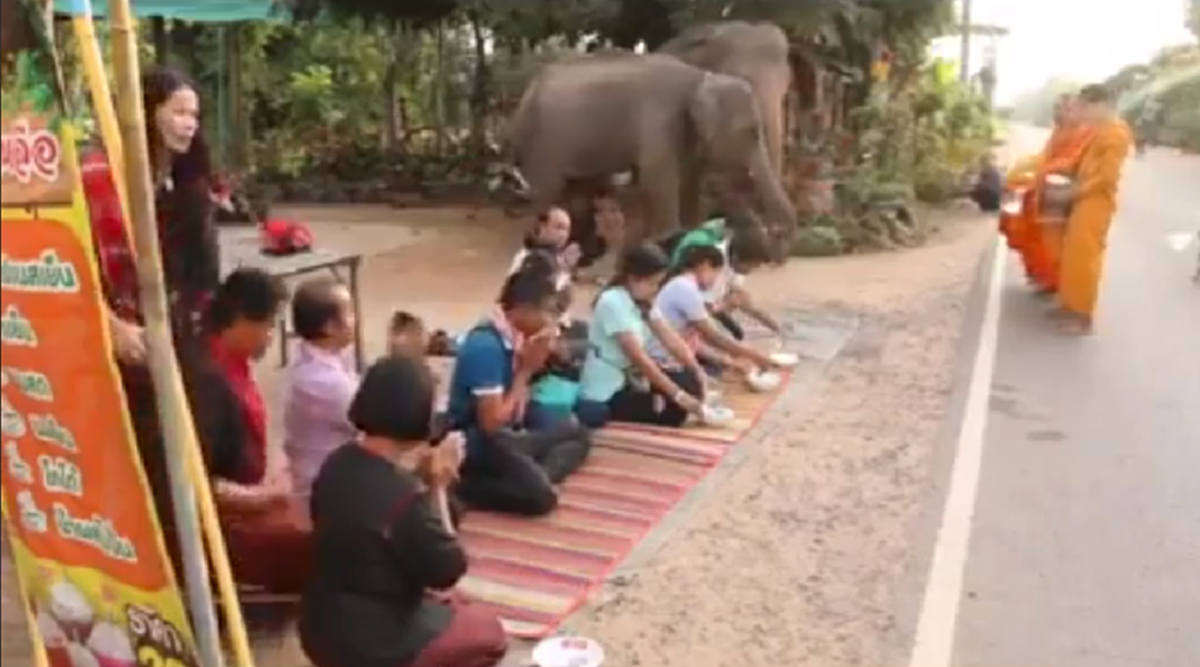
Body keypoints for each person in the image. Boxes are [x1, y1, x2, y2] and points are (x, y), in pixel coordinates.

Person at [83, 65, 221, 580]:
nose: (189, 124)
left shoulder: (182, 181)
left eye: (195, 115)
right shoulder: (99, 174)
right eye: (178, 111)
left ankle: (187, 572)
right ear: (147, 111)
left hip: (170, 339)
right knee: (133, 467)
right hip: (115, 347)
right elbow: (70, 265)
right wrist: (110, 327)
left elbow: (198, 275)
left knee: (186, 452)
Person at [299, 356, 507, 667]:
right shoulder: (404, 499)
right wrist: (438, 486)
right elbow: (449, 571)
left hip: (318, 626)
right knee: (487, 630)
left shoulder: (335, 463)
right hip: (372, 644)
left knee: (447, 604)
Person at [189, 268, 311, 595]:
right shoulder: (208, 381)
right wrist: (265, 496)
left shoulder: (231, 362)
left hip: (249, 493)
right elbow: (197, 482)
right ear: (242, 320)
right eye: (268, 325)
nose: (271, 336)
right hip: (223, 522)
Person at [447, 267, 591, 516]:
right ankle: (465, 488)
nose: (551, 321)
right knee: (542, 500)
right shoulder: (486, 346)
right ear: (523, 309)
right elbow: (490, 424)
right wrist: (526, 371)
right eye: (546, 311)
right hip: (478, 442)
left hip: (510, 435)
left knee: (579, 434)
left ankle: (531, 474)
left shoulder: (517, 336)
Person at [575, 243, 708, 429]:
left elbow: (669, 337)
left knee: (689, 381)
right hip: (608, 390)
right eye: (652, 283)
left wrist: (696, 369)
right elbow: (638, 358)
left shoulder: (643, 302)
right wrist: (679, 396)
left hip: (631, 382)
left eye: (658, 283)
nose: (656, 289)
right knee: (673, 410)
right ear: (633, 278)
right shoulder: (612, 302)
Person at [1055, 84, 1132, 335]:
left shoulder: (1116, 133)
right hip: (1084, 197)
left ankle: (1082, 315)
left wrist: (1074, 192)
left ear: (1102, 105)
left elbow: (1107, 177)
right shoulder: (1099, 130)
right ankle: (1069, 305)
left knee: (1085, 258)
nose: (1082, 112)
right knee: (1073, 255)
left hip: (1096, 201)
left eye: (1085, 107)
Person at [1000, 93, 1096, 294]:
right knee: (1017, 219)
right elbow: (1044, 158)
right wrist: (1021, 170)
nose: (1059, 112)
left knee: (1053, 242)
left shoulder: (1084, 134)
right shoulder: (1059, 132)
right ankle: (1040, 273)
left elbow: (1072, 164)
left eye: (1065, 108)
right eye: (1057, 108)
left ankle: (1053, 280)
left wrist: (1043, 172)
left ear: (1078, 111)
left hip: (1064, 194)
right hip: (1045, 188)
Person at [650, 244, 783, 380]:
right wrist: (756, 356)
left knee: (727, 374)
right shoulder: (685, 288)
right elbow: (713, 337)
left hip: (674, 359)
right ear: (705, 265)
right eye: (716, 273)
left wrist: (728, 362)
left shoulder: (685, 287)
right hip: (664, 363)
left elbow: (694, 343)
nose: (715, 280)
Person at [284, 277, 359, 502]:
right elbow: (380, 420)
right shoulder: (323, 381)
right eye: (349, 313)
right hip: (326, 493)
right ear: (329, 327)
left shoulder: (315, 359)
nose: (355, 321)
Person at [666, 216, 782, 342]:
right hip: (681, 327)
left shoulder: (736, 267)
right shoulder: (710, 263)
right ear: (737, 256)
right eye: (752, 265)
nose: (752, 270)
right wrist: (727, 305)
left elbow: (743, 303)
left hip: (707, 320)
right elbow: (698, 314)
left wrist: (775, 327)